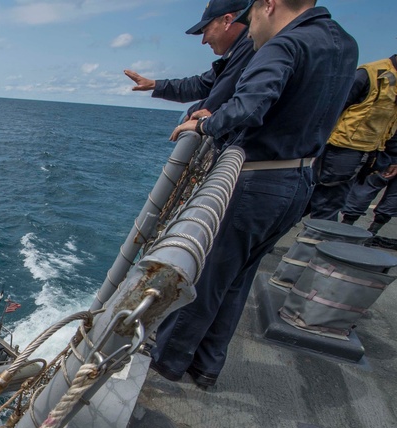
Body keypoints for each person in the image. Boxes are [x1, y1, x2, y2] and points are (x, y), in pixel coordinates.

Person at [151, 0, 358, 389]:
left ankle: (167, 364)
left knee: (206, 277)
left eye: (250, 20)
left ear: (269, 5)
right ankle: (206, 366)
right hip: (299, 180)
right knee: (237, 281)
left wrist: (208, 122)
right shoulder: (344, 44)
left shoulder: (284, 44)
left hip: (257, 179)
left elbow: (250, 107)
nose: (250, 31)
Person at [124, 0, 254, 125]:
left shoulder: (250, 45)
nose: (203, 41)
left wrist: (192, 113)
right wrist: (155, 85)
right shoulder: (235, 53)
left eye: (206, 31)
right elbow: (201, 84)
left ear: (227, 20)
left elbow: (221, 96)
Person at [308, 54, 397, 220]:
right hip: (341, 150)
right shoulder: (370, 74)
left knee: (316, 198)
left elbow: (392, 123)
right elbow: (333, 107)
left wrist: (393, 158)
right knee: (329, 202)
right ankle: (321, 241)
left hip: (370, 152)